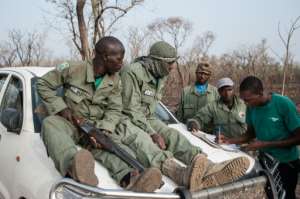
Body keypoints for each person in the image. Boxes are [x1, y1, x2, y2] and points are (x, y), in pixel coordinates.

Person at [37, 36, 162, 192]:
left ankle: (131, 179)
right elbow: (43, 84)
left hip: (95, 127)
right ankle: (73, 166)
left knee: (111, 148)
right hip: (70, 123)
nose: (121, 63)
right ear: (104, 57)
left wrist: (104, 130)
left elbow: (115, 108)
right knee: (50, 123)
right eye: (118, 58)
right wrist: (62, 108)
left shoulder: (116, 80)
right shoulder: (73, 69)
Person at [121, 40, 250, 191]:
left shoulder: (160, 75)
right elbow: (131, 110)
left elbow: (151, 107)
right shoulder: (132, 72)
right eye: (169, 63)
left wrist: (155, 130)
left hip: (147, 117)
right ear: (157, 61)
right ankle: (179, 173)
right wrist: (152, 133)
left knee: (173, 135)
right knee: (144, 143)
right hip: (126, 119)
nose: (172, 67)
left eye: (173, 63)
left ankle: (207, 167)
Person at [219, 76, 300, 199]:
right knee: (272, 194)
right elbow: (250, 134)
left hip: (286, 163)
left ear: (260, 93)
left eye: (248, 100)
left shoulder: (283, 104)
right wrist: (229, 140)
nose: (246, 103)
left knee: (286, 195)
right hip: (266, 162)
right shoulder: (251, 107)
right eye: (244, 100)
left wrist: (265, 144)